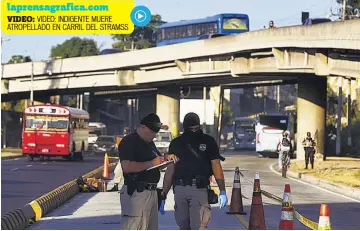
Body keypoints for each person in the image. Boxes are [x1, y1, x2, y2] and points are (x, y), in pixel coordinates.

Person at [160, 112, 228, 230]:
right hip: (190, 190)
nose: (192, 131)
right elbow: (216, 166)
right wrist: (163, 195)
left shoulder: (179, 142)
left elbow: (170, 171)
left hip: (188, 189)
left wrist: (164, 195)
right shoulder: (206, 141)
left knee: (192, 226)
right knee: (190, 226)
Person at [118, 113, 178, 230]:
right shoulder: (129, 141)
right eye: (151, 132)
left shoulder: (149, 143)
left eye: (155, 133)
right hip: (136, 192)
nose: (154, 135)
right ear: (143, 127)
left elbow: (156, 161)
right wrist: (152, 163)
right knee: (135, 225)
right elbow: (127, 166)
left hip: (151, 193)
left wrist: (165, 159)